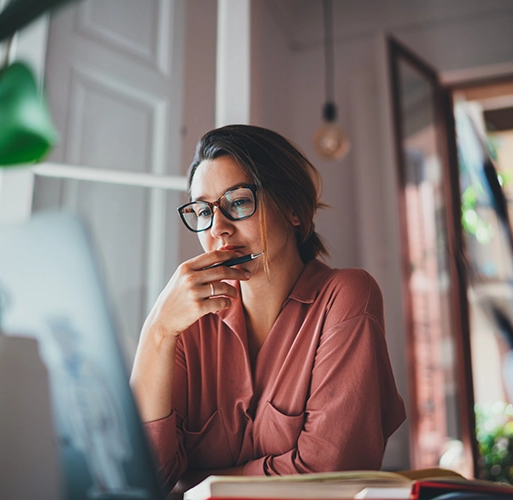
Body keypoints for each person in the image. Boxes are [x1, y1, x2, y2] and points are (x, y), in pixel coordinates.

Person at [130, 125, 405, 493]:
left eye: (238, 202)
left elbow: (328, 474)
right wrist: (157, 331)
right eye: (203, 211)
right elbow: (143, 480)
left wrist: (195, 484)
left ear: (293, 209)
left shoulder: (346, 297)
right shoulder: (187, 322)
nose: (218, 229)